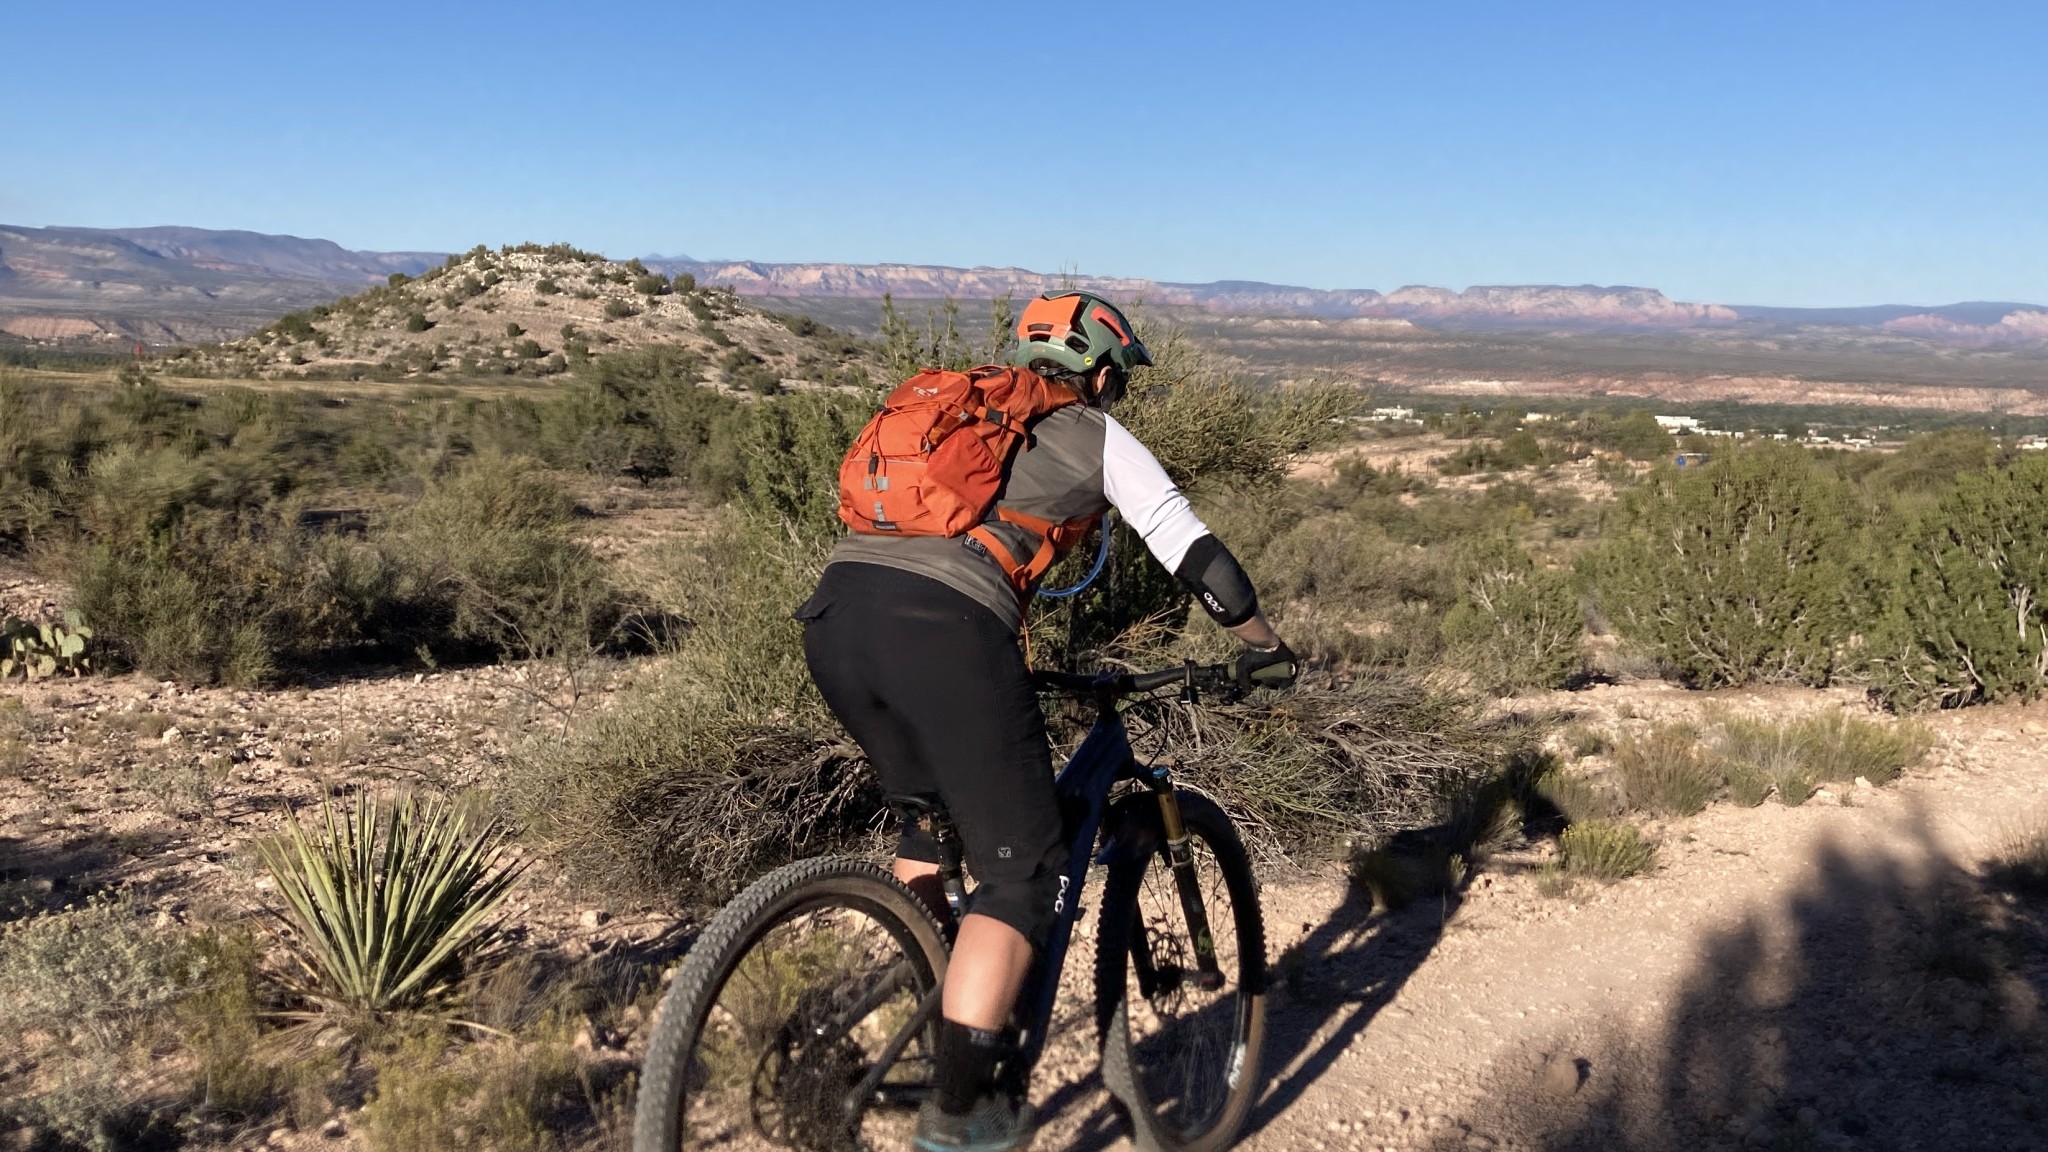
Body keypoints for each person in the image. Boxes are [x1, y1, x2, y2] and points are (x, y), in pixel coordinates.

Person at [796, 291, 1296, 1152]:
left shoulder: (959, 407)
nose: (1115, 394)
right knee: (1023, 874)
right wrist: (1265, 646)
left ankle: (932, 1004)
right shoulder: (1094, 433)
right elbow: (1195, 555)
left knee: (930, 825)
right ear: (1099, 374)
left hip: (837, 618)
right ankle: (961, 1112)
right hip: (945, 630)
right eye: (1117, 380)